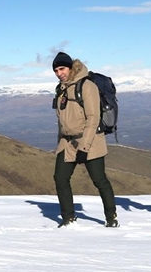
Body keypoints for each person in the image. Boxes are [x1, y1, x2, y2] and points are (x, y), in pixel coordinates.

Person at [51, 52, 118, 228]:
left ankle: (111, 217)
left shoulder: (87, 86)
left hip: (90, 141)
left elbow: (93, 117)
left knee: (99, 180)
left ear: (71, 67)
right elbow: (62, 120)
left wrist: (84, 147)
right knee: (60, 178)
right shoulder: (61, 89)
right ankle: (68, 219)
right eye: (56, 70)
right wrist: (60, 144)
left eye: (62, 69)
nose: (59, 73)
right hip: (67, 143)